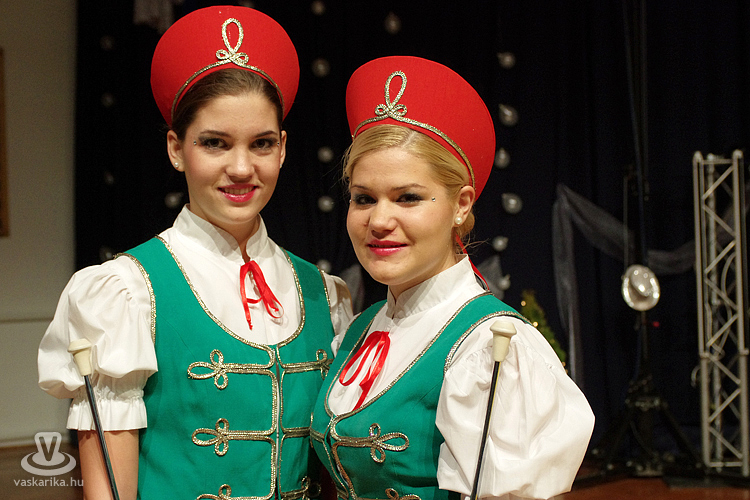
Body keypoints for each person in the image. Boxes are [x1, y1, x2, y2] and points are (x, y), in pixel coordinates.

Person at [38, 6, 351, 500]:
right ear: (175, 148)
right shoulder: (127, 292)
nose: (242, 168)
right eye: (215, 143)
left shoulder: (324, 294)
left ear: (283, 148)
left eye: (261, 143)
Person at [310, 56, 594, 500]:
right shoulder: (360, 328)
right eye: (363, 198)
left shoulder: (490, 347)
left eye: (407, 197)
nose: (379, 221)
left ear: (461, 205)